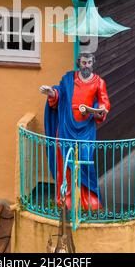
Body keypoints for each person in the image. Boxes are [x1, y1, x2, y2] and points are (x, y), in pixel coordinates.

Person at [40, 52, 110, 211]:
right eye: (84, 62)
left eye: (89, 62)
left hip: (85, 129)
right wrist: (51, 93)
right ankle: (66, 196)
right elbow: (59, 96)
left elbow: (103, 104)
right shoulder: (68, 80)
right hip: (65, 128)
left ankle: (88, 197)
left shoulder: (99, 82)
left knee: (85, 162)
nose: (86, 65)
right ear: (79, 62)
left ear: (93, 63)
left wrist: (96, 111)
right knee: (65, 163)